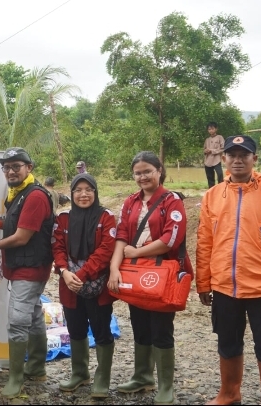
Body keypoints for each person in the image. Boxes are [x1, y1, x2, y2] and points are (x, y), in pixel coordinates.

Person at [196, 135, 261, 406]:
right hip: (224, 286)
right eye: (232, 155)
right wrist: (203, 282)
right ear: (223, 159)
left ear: (254, 159)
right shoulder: (212, 196)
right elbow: (205, 242)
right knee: (228, 343)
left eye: (244, 155)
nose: (238, 160)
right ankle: (229, 394)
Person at [107, 151, 189, 405]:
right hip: (134, 272)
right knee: (139, 324)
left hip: (161, 273)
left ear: (159, 171)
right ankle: (143, 376)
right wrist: (114, 267)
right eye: (138, 173)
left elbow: (170, 239)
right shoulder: (130, 202)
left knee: (161, 328)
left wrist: (137, 251)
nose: (142, 177)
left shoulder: (171, 201)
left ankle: (166, 386)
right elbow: (121, 234)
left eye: (147, 171)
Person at [0, 147, 55, 399]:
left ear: (29, 168)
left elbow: (21, 236)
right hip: (27, 266)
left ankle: (16, 379)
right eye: (6, 167)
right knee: (32, 314)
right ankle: (37, 367)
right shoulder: (18, 193)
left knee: (17, 321)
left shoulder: (36, 196)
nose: (10, 171)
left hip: (30, 268)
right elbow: (16, 221)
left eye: (16, 166)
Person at [52, 174, 117, 398]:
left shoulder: (106, 217)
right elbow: (57, 247)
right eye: (78, 190)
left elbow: (106, 251)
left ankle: (102, 378)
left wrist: (79, 274)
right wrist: (64, 271)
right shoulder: (63, 219)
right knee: (75, 328)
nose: (83, 194)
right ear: (71, 193)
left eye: (88, 189)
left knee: (101, 329)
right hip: (69, 284)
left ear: (95, 192)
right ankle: (80, 373)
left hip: (96, 285)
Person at [204, 122, 225, 188]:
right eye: (209, 129)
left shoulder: (220, 137)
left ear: (216, 129)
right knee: (210, 178)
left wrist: (212, 151)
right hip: (208, 161)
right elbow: (204, 150)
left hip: (216, 160)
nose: (211, 130)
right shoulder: (207, 140)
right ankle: (211, 191)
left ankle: (220, 189)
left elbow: (223, 148)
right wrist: (206, 151)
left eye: (212, 129)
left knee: (220, 174)